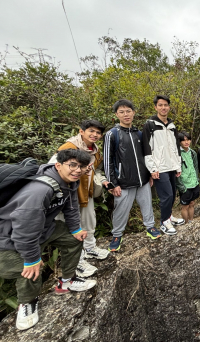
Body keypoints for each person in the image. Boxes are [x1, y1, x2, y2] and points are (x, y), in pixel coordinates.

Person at [0, 149, 96, 330]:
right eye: (72, 165)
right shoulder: (41, 190)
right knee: (28, 268)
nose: (77, 170)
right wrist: (31, 259)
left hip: (42, 229)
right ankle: (27, 302)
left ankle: (66, 281)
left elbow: (71, 207)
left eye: (81, 167)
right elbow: (24, 227)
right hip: (8, 238)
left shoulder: (69, 182)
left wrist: (75, 229)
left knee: (73, 239)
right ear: (58, 165)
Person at [49, 120, 109, 278]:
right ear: (81, 131)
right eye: (91, 131)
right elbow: (52, 169)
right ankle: (77, 261)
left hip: (85, 192)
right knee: (72, 227)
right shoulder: (68, 148)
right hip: (68, 195)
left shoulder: (95, 151)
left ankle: (90, 248)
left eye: (98, 133)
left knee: (90, 221)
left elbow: (95, 171)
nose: (94, 135)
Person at [104, 99, 161, 252]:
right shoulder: (112, 134)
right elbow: (107, 161)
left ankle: (150, 227)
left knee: (147, 205)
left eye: (128, 111)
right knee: (121, 209)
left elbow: (146, 156)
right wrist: (112, 183)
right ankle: (117, 235)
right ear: (116, 114)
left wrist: (149, 175)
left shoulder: (140, 134)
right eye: (121, 112)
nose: (126, 114)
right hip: (123, 182)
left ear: (133, 112)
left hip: (142, 179)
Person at [142, 95, 185, 235]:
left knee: (172, 194)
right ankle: (163, 222)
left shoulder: (172, 126)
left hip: (171, 166)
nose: (163, 108)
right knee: (166, 195)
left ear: (169, 107)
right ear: (155, 107)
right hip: (159, 168)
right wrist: (152, 169)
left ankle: (169, 216)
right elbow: (146, 149)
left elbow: (176, 147)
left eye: (165, 105)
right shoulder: (150, 125)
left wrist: (178, 166)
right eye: (160, 105)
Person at [176, 132, 200, 223]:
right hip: (185, 184)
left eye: (188, 140)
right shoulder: (177, 154)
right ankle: (186, 223)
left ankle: (191, 221)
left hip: (194, 183)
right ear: (179, 141)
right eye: (184, 140)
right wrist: (181, 186)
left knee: (192, 203)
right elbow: (176, 172)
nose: (186, 142)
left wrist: (197, 179)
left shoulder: (193, 153)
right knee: (185, 206)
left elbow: (195, 167)